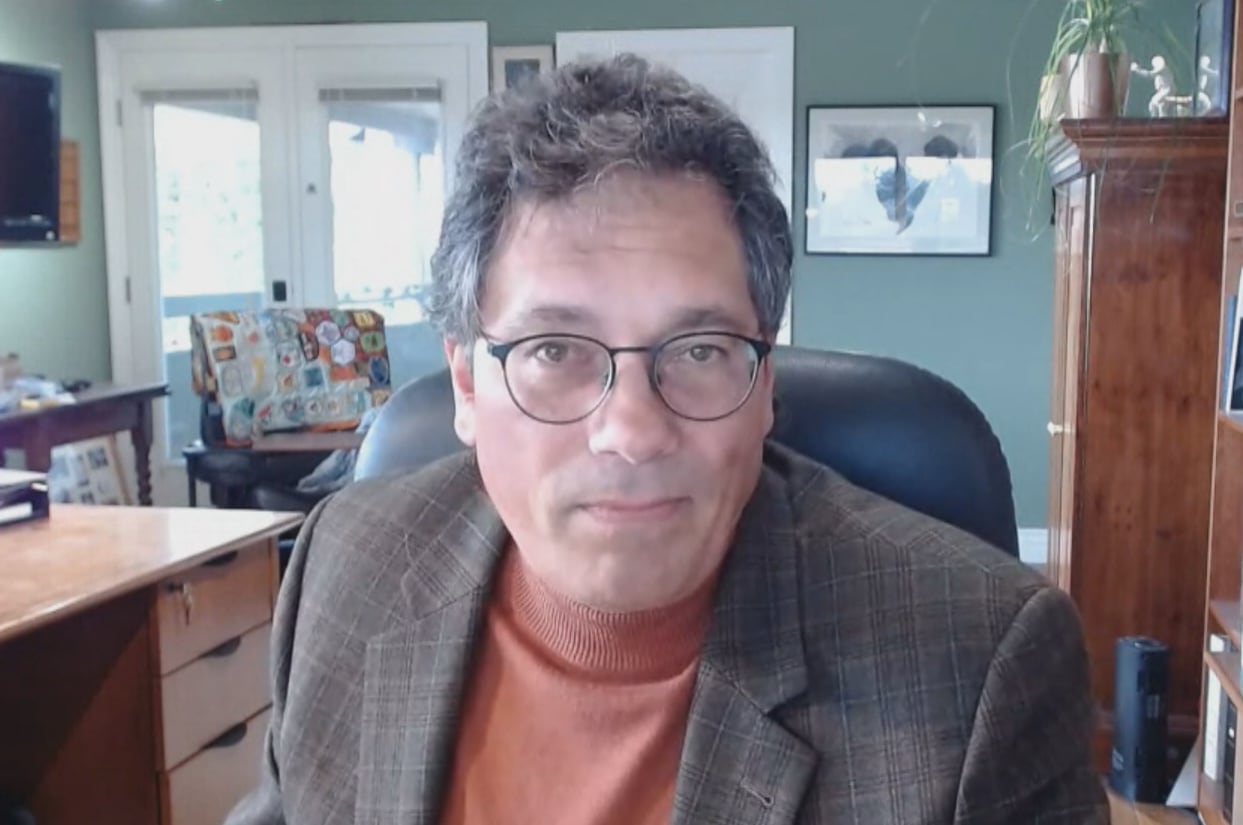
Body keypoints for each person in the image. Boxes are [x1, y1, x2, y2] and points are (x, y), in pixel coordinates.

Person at [227, 54, 1108, 824]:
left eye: (698, 350)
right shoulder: (348, 563)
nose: (632, 430)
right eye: (553, 350)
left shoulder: (980, 664)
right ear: (466, 382)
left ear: (762, 381)